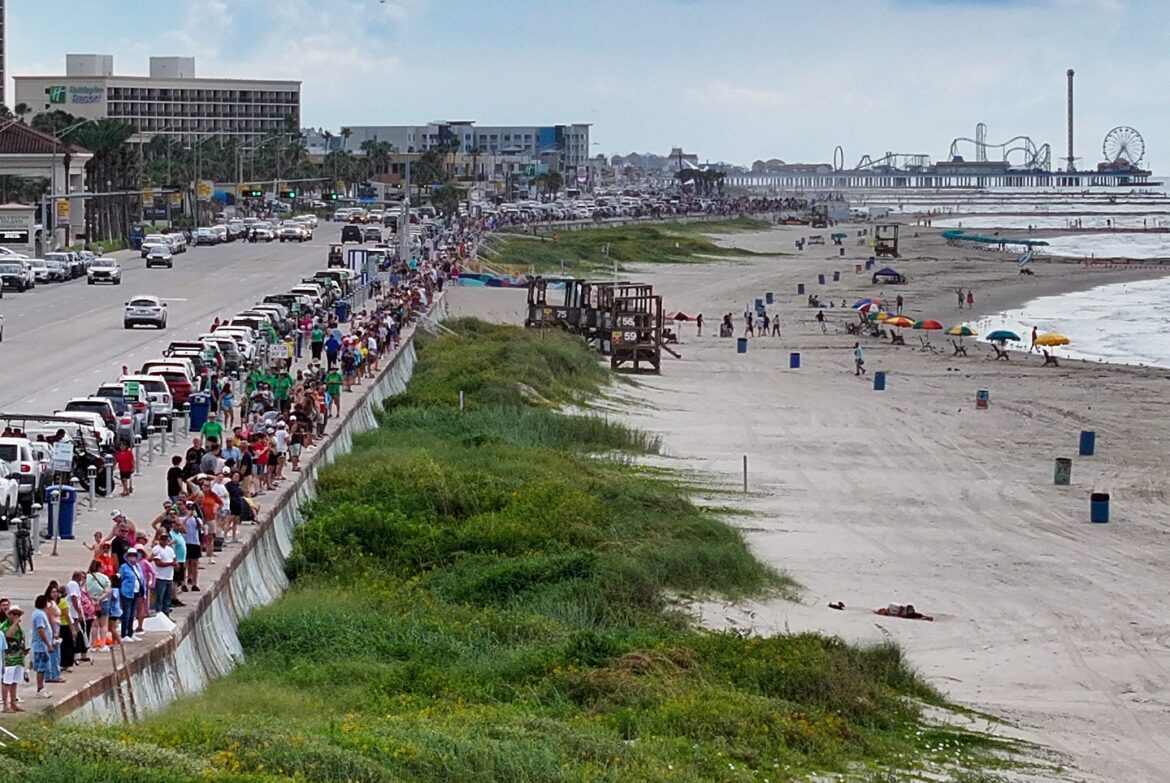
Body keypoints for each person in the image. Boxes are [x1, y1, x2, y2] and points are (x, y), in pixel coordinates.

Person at [1, 605, 28, 711]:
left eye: (18, 614)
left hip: (18, 657)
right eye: (14, 614)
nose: (16, 616)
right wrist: (15, 623)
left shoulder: (19, 627)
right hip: (9, 658)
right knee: (7, 682)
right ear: (10, 615)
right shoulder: (5, 625)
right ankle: (5, 705)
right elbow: (7, 635)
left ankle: (13, 703)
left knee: (14, 682)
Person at [29, 596, 55, 699]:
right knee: (41, 668)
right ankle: (40, 689)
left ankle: (41, 687)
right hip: (41, 646)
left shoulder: (39, 613)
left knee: (43, 668)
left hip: (42, 646)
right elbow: (41, 630)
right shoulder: (39, 614)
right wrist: (48, 644)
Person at [117, 550, 144, 642]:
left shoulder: (138, 566)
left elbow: (141, 578)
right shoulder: (124, 567)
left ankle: (130, 633)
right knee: (126, 613)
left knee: (132, 613)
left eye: (134, 555)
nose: (132, 557)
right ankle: (124, 634)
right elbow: (120, 579)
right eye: (130, 555)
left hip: (136, 592)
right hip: (127, 592)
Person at [151, 533, 176, 616]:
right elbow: (158, 563)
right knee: (159, 599)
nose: (164, 541)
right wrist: (170, 564)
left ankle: (166, 616)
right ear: (159, 539)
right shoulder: (156, 549)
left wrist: (175, 564)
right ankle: (158, 616)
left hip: (169, 577)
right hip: (160, 577)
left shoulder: (170, 549)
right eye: (162, 539)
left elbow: (174, 559)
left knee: (167, 599)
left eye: (166, 539)